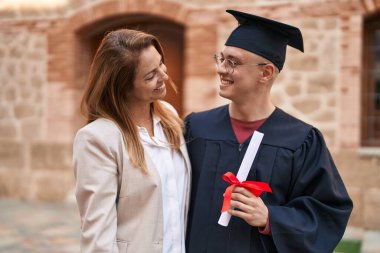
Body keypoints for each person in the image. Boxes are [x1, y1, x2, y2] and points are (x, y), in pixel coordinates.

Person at [185, 9, 353, 253]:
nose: (221, 69)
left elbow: (328, 212)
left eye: (233, 62)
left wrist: (270, 218)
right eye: (221, 59)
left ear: (266, 73)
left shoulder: (300, 140)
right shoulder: (196, 129)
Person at [72, 29, 190, 253]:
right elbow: (98, 239)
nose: (164, 76)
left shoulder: (169, 116)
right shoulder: (97, 139)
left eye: (161, 64)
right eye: (150, 75)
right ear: (122, 86)